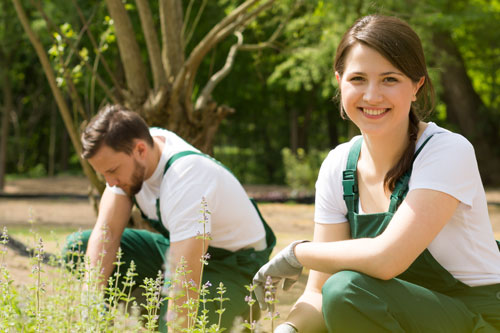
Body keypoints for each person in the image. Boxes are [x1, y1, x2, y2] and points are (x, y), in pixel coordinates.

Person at [253, 15, 500, 333]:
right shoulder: (338, 165)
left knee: (348, 290)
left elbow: (387, 259)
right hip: (399, 318)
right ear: (339, 81)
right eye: (358, 79)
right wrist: (288, 330)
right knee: (340, 292)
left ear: (416, 86)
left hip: (481, 320)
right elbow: (318, 292)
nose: (372, 95)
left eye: (390, 79)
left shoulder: (446, 152)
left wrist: (297, 253)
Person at [64, 105, 276, 331]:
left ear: (140, 150)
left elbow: (183, 280)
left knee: (180, 319)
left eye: (113, 171)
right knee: (78, 248)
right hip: (186, 247)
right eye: (103, 174)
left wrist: (174, 321)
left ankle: (240, 314)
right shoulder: (133, 150)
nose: (110, 182)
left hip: (236, 266)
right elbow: (106, 233)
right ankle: (157, 311)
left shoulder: (186, 178)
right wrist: (92, 312)